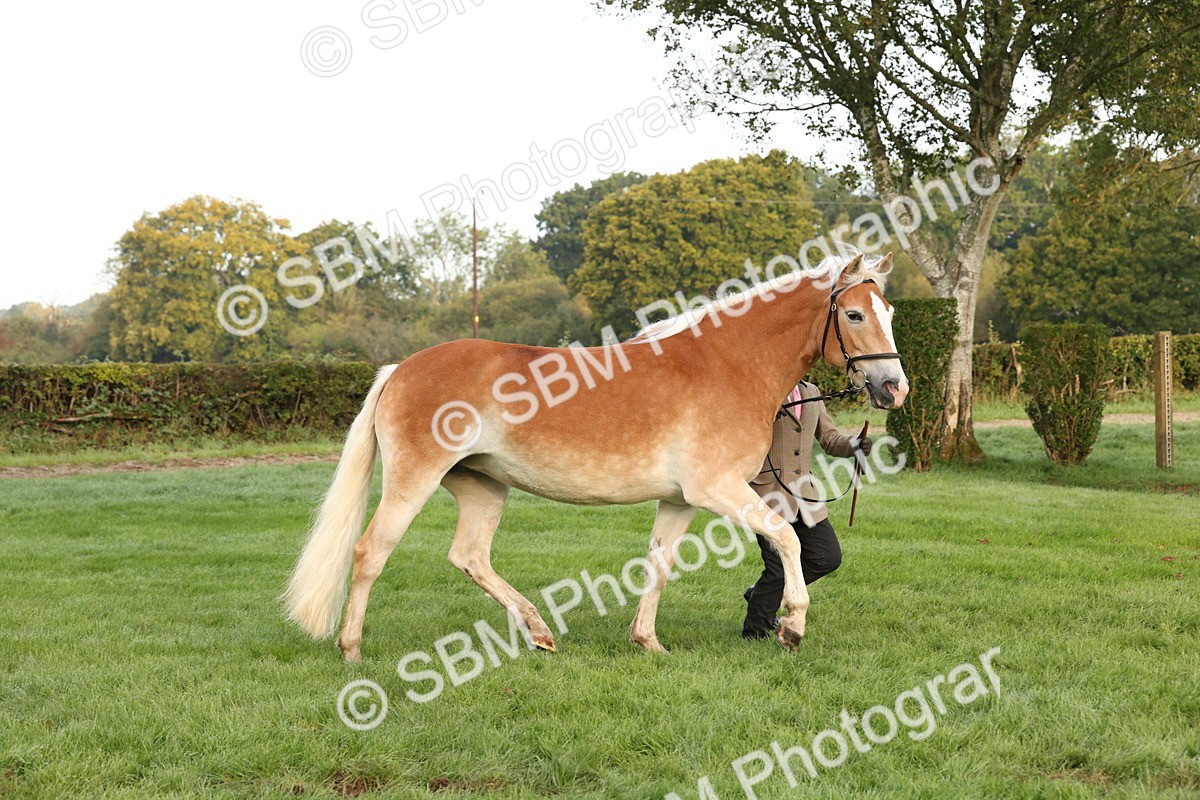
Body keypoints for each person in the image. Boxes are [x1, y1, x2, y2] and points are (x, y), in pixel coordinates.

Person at [742, 380, 872, 639]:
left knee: (827, 557)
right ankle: (755, 631)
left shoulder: (811, 392)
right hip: (768, 494)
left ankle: (760, 592)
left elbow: (830, 439)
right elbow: (739, 434)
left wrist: (854, 445)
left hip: (806, 496)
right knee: (778, 568)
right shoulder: (760, 388)